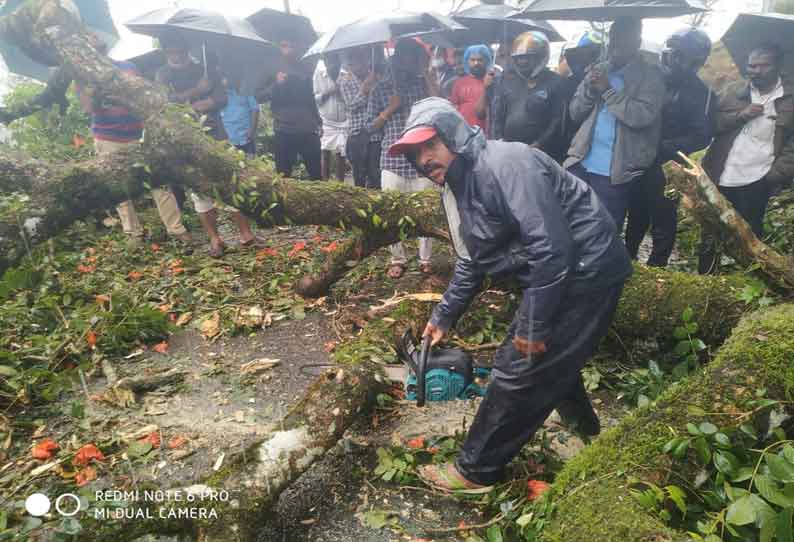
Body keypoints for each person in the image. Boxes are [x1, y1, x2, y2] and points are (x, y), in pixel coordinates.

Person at [387, 97, 632, 491]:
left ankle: (475, 470)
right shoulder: (457, 184)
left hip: (586, 270)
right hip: (559, 271)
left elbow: (552, 250)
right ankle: (583, 430)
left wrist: (534, 325)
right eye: (415, 154)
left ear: (453, 136)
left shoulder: (506, 164)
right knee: (554, 358)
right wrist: (443, 317)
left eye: (430, 146)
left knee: (516, 368)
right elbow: (474, 259)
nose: (423, 160)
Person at [155, 33, 263, 258]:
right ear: (165, 52)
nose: (176, 55)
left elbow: (221, 99)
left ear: (186, 49)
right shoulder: (162, 75)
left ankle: (245, 234)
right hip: (185, 138)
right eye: (171, 52)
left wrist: (191, 102)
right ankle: (215, 239)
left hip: (216, 134)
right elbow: (164, 103)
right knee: (199, 189)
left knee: (230, 182)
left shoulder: (204, 70)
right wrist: (197, 94)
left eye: (179, 51)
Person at [77, 36, 191, 248]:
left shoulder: (127, 67)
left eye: (96, 39)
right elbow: (87, 108)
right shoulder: (83, 78)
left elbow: (142, 95)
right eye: (89, 41)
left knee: (159, 181)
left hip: (139, 134)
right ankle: (133, 234)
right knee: (120, 187)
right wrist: (93, 90)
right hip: (108, 137)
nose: (95, 42)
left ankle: (177, 230)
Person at [698, 44, 794, 274]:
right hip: (720, 174)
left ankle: (749, 283)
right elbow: (711, 126)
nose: (756, 70)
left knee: (750, 238)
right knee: (711, 234)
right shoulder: (734, 91)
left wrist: (775, 175)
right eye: (752, 65)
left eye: (764, 65)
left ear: (778, 66)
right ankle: (705, 281)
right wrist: (742, 115)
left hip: (757, 180)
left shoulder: (789, 100)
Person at [565, 17, 666, 231]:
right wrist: (590, 90)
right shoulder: (600, 69)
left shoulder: (651, 77)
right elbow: (575, 113)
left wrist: (608, 91)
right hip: (581, 161)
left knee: (604, 230)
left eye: (624, 42)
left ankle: (600, 265)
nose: (616, 47)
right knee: (570, 222)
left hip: (615, 170)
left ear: (637, 43)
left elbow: (641, 116)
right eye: (614, 39)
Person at [625, 28, 716, 267]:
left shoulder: (702, 94)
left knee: (663, 215)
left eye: (679, 56)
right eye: (671, 54)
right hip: (639, 156)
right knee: (636, 210)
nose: (672, 60)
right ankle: (628, 256)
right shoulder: (655, 78)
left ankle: (657, 265)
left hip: (668, 164)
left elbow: (702, 135)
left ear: (695, 60)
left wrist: (664, 147)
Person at [368, 39, 439, 278]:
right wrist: (389, 110)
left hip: (421, 156)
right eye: (406, 57)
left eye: (414, 57)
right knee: (391, 212)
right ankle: (397, 258)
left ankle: (425, 258)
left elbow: (441, 108)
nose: (409, 62)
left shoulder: (422, 85)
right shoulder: (381, 88)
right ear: (396, 58)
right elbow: (370, 128)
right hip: (392, 159)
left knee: (424, 211)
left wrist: (428, 76)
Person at [488, 32, 566, 159]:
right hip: (509, 151)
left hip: (541, 153)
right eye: (519, 58)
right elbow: (498, 113)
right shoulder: (508, 80)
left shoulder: (555, 82)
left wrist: (539, 144)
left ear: (541, 56)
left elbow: (557, 120)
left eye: (527, 57)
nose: (522, 62)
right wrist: (499, 140)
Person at [270, 39, 322, 180]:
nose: (289, 49)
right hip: (284, 129)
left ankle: (316, 201)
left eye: (292, 45)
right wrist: (277, 85)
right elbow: (259, 95)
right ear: (279, 47)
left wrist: (318, 121)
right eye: (285, 45)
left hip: (307, 128)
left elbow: (311, 98)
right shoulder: (272, 68)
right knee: (283, 176)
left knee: (316, 174)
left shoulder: (306, 67)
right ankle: (284, 202)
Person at [557, 31, 604, 161]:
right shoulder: (563, 82)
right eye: (576, 55)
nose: (582, 59)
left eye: (588, 54)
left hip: (590, 146)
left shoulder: (604, 81)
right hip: (563, 142)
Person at [339, 46, 381, 189]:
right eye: (356, 62)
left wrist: (373, 83)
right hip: (357, 135)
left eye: (364, 60)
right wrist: (364, 88)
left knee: (375, 174)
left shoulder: (377, 77)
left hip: (376, 134)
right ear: (350, 65)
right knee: (359, 176)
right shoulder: (345, 81)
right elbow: (351, 106)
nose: (362, 65)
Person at [314, 53, 348, 181]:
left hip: (344, 120)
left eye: (335, 61)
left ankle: (340, 183)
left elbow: (353, 96)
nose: (333, 64)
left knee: (341, 153)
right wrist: (329, 92)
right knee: (325, 151)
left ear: (339, 61)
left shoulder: (345, 74)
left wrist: (342, 94)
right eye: (330, 61)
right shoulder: (318, 74)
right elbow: (314, 98)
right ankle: (325, 182)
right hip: (326, 120)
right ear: (326, 62)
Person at [449, 44, 492, 133]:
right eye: (472, 60)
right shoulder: (459, 83)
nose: (476, 63)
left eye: (480, 60)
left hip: (487, 133)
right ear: (467, 61)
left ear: (486, 61)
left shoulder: (492, 82)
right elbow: (454, 110)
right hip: (465, 134)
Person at [221, 74, 259, 157]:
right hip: (227, 137)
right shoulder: (221, 91)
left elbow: (255, 109)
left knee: (249, 165)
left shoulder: (246, 89)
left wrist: (252, 130)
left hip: (246, 138)